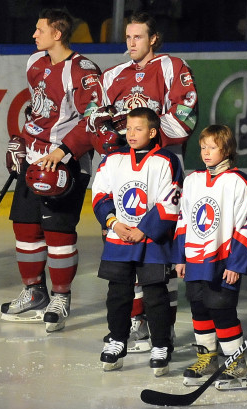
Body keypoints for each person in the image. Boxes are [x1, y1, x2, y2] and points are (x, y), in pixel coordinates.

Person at [96, 10, 198, 353]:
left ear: (153, 38)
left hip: (162, 166)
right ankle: (136, 322)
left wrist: (145, 137)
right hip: (126, 169)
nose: (131, 43)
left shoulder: (173, 67)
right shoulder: (113, 75)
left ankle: (162, 331)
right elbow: (96, 117)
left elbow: (185, 117)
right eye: (127, 37)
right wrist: (116, 139)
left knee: (158, 257)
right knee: (126, 253)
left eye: (137, 37)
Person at [0, 8, 105, 333]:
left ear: (57, 33)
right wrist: (19, 141)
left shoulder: (83, 70)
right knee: (26, 228)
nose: (34, 35)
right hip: (34, 158)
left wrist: (63, 151)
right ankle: (34, 292)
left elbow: (95, 118)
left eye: (39, 29)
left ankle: (61, 296)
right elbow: (38, 110)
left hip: (66, 161)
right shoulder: (35, 63)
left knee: (58, 231)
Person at [91, 107, 183, 376]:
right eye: (128, 128)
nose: (131, 134)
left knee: (155, 295)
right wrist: (113, 223)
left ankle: (161, 345)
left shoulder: (167, 161)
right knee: (118, 294)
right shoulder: (113, 159)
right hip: (119, 237)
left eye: (138, 129)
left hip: (153, 240)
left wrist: (145, 229)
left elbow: (171, 199)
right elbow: (100, 193)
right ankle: (118, 340)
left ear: (153, 132)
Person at [174, 124, 247, 390]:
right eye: (202, 147)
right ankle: (207, 358)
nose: (206, 152)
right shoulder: (193, 180)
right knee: (199, 307)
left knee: (221, 309)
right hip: (195, 258)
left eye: (212, 147)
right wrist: (180, 257)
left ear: (227, 150)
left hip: (224, 260)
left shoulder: (240, 182)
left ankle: (236, 365)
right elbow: (183, 220)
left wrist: (236, 263)